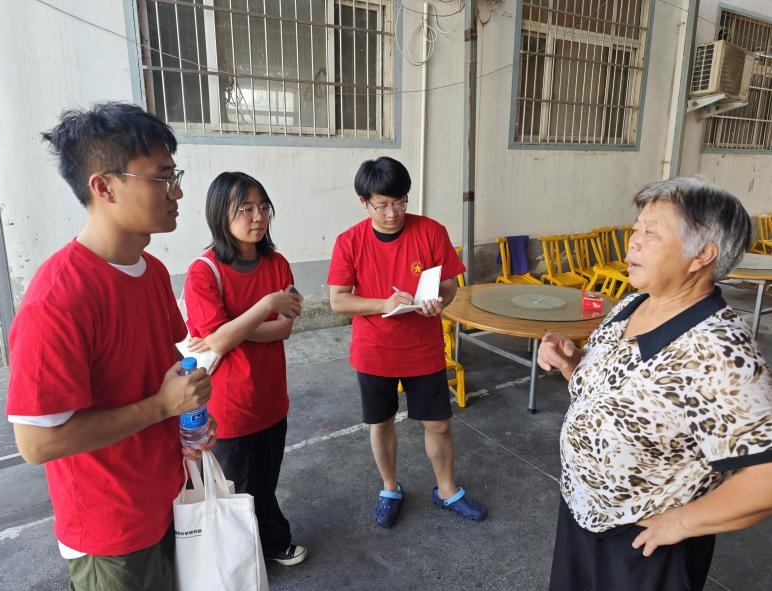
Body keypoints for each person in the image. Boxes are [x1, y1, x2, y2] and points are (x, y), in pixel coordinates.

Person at [5, 102, 216, 591]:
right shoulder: (58, 298)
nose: (177, 192)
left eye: (175, 175)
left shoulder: (153, 273)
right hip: (112, 534)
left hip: (169, 499)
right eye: (162, 177)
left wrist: (189, 412)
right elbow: (37, 444)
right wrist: (161, 406)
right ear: (104, 187)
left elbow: (165, 372)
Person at [538, 177, 772, 591]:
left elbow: (765, 478)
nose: (633, 242)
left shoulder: (718, 352)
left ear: (701, 255)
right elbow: (621, 392)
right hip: (582, 512)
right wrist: (571, 363)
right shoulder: (634, 303)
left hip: (643, 545)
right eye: (636, 229)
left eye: (652, 233)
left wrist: (681, 523)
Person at [327, 156, 487, 528]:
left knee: (439, 424)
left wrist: (439, 301)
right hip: (374, 351)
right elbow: (338, 300)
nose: (392, 213)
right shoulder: (349, 241)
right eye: (382, 205)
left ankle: (447, 490)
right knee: (381, 423)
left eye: (399, 202)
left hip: (423, 349)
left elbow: (449, 285)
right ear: (364, 202)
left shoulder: (431, 232)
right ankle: (389, 488)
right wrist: (382, 304)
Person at [183, 171, 308, 566]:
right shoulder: (204, 271)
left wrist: (229, 329)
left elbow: (284, 329)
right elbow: (220, 342)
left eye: (263, 207)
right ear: (221, 214)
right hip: (229, 407)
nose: (258, 217)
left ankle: (270, 543)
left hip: (271, 399)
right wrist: (265, 306)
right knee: (235, 490)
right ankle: (240, 562)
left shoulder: (278, 264)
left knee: (266, 483)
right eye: (245, 209)